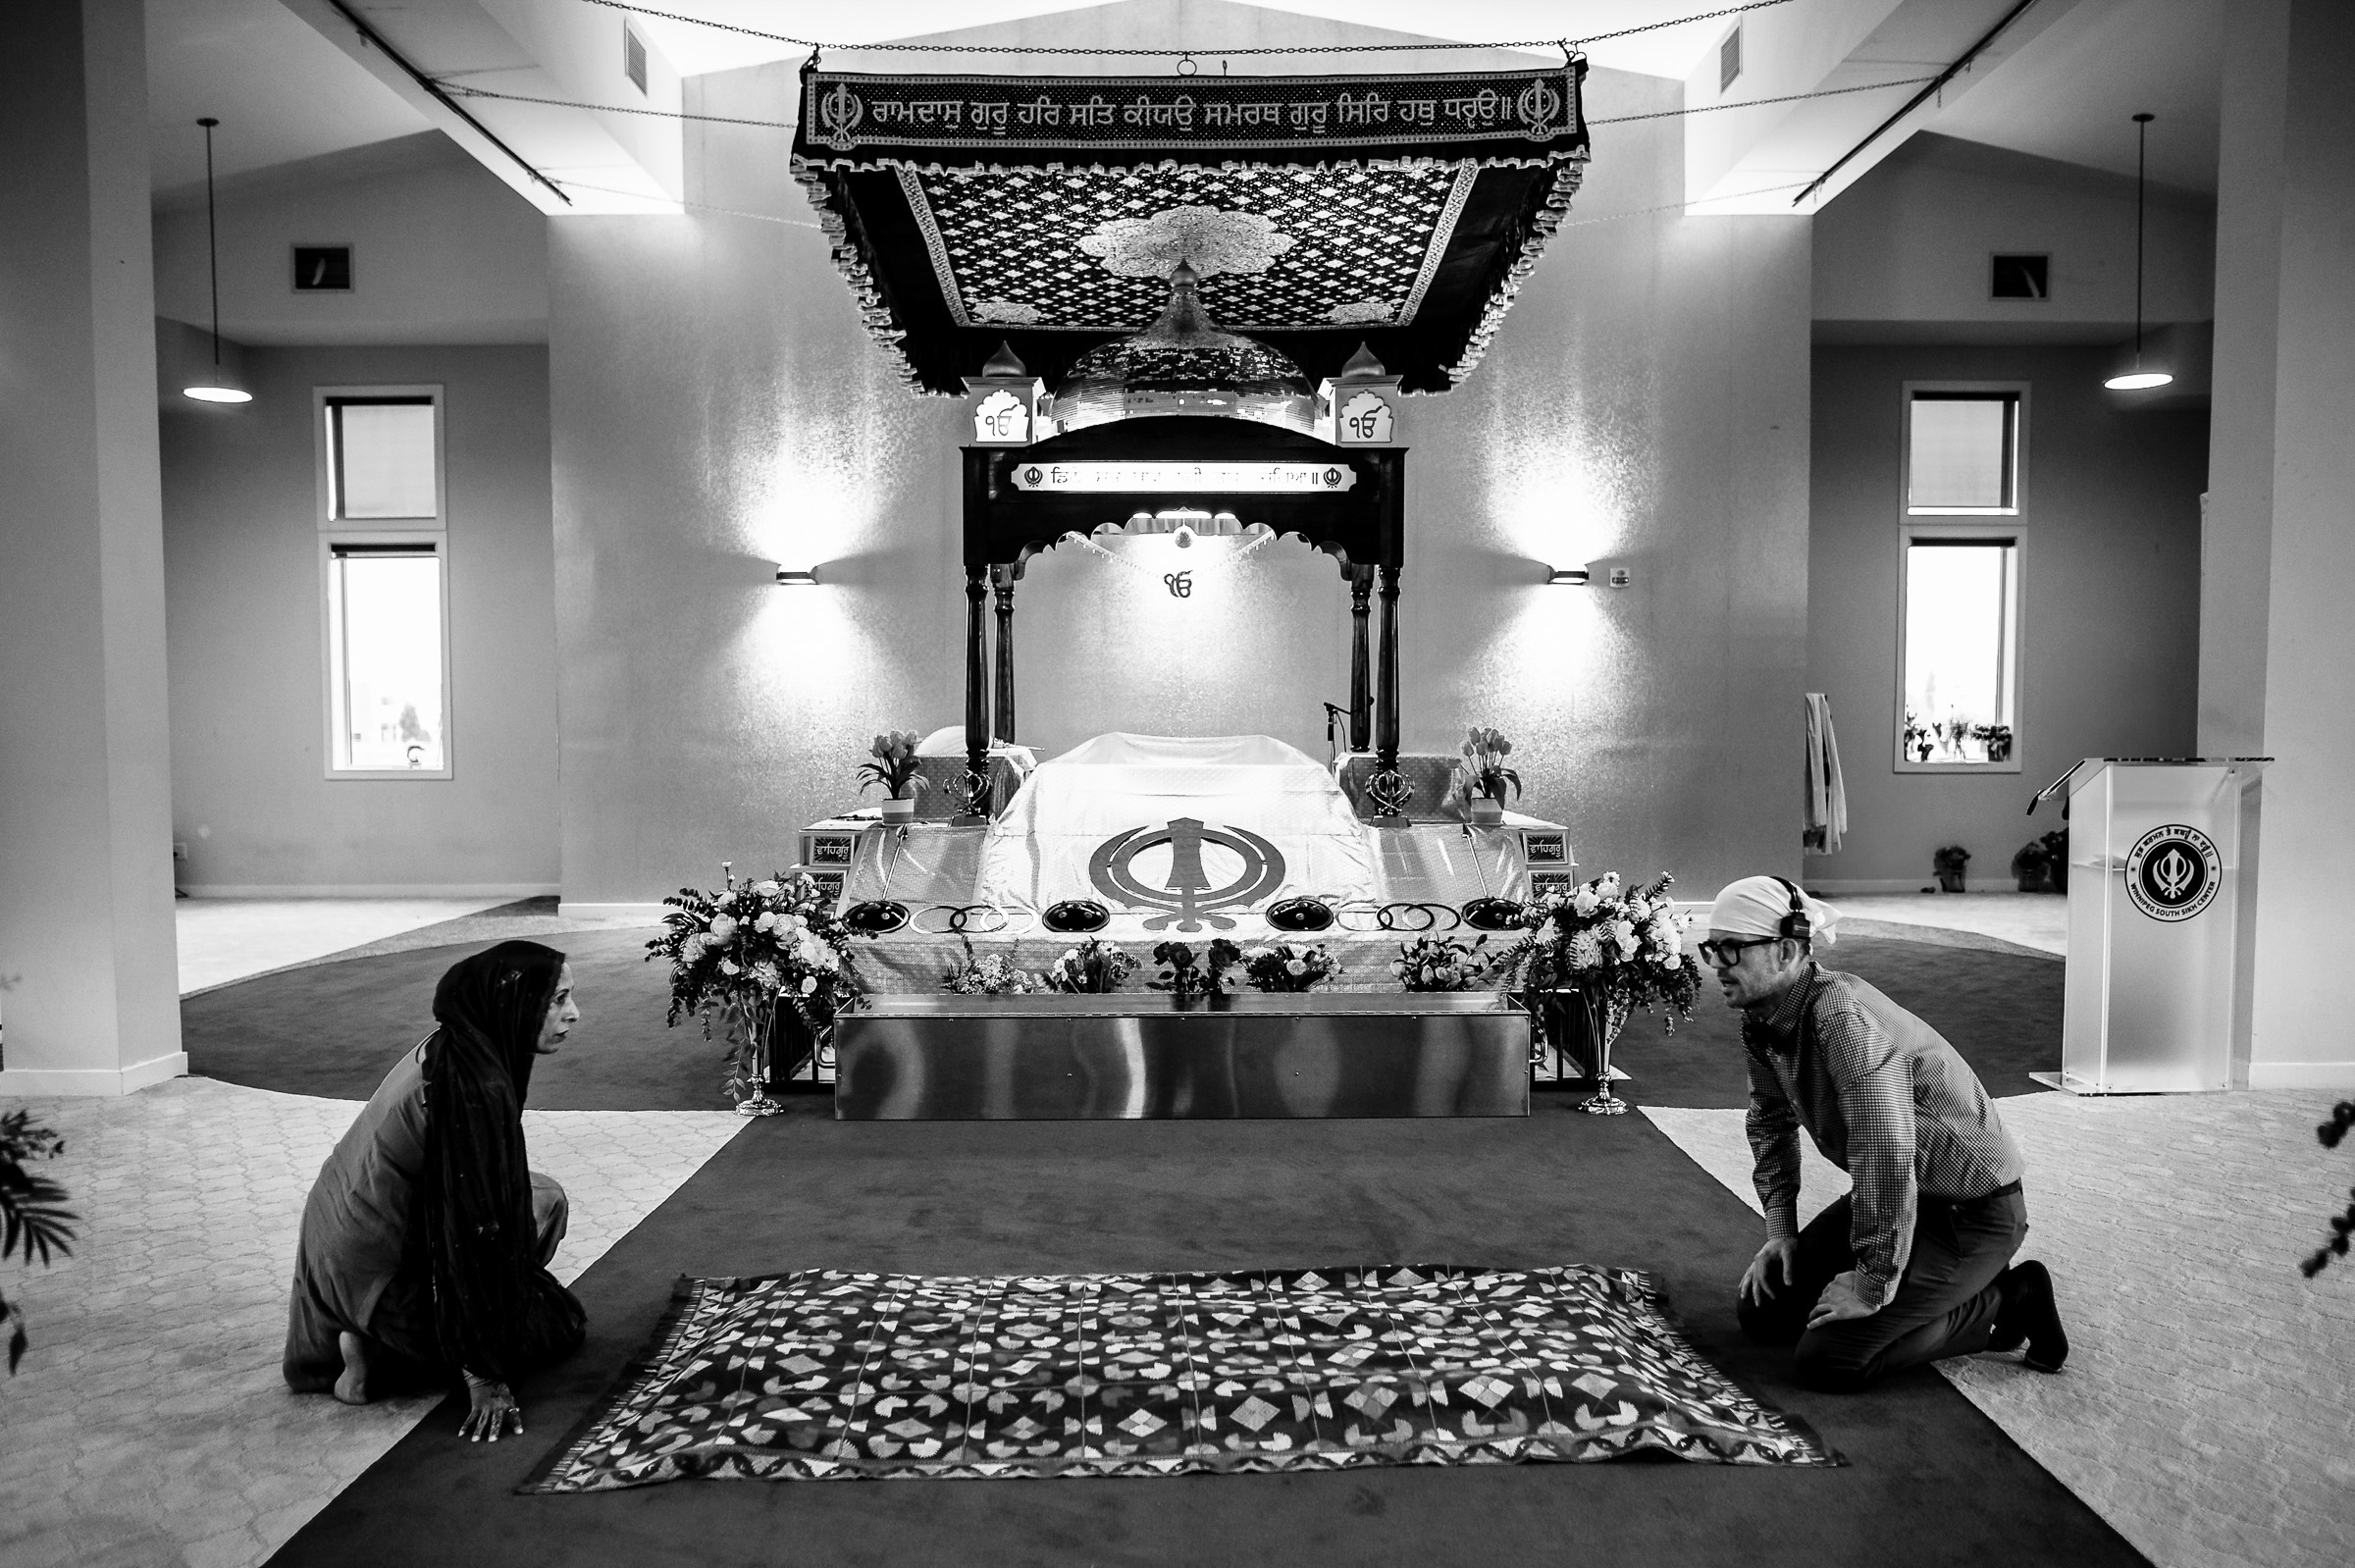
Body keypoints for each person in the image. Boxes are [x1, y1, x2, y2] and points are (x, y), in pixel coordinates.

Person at [1702, 876, 2068, 1392]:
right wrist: (1780, 1231)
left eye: (1732, 948)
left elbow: (1886, 1153)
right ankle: (1929, 1283)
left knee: (1828, 1360)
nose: (1716, 962)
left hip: (1971, 1214)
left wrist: (1873, 1283)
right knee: (1765, 1312)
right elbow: (1769, 1121)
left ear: (1786, 951)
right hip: (1908, 1196)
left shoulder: (1842, 1021)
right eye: (1713, 947)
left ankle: (2010, 1298)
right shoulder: (1763, 1020)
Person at [283, 940, 588, 1442]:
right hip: (370, 1266)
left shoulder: (465, 1040)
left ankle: (402, 1332)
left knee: (543, 1198)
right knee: (557, 1324)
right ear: (510, 1003)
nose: (572, 1014)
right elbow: (470, 1227)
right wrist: (484, 1373)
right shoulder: (469, 1086)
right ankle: (378, 1354)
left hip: (359, 1231)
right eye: (555, 1000)